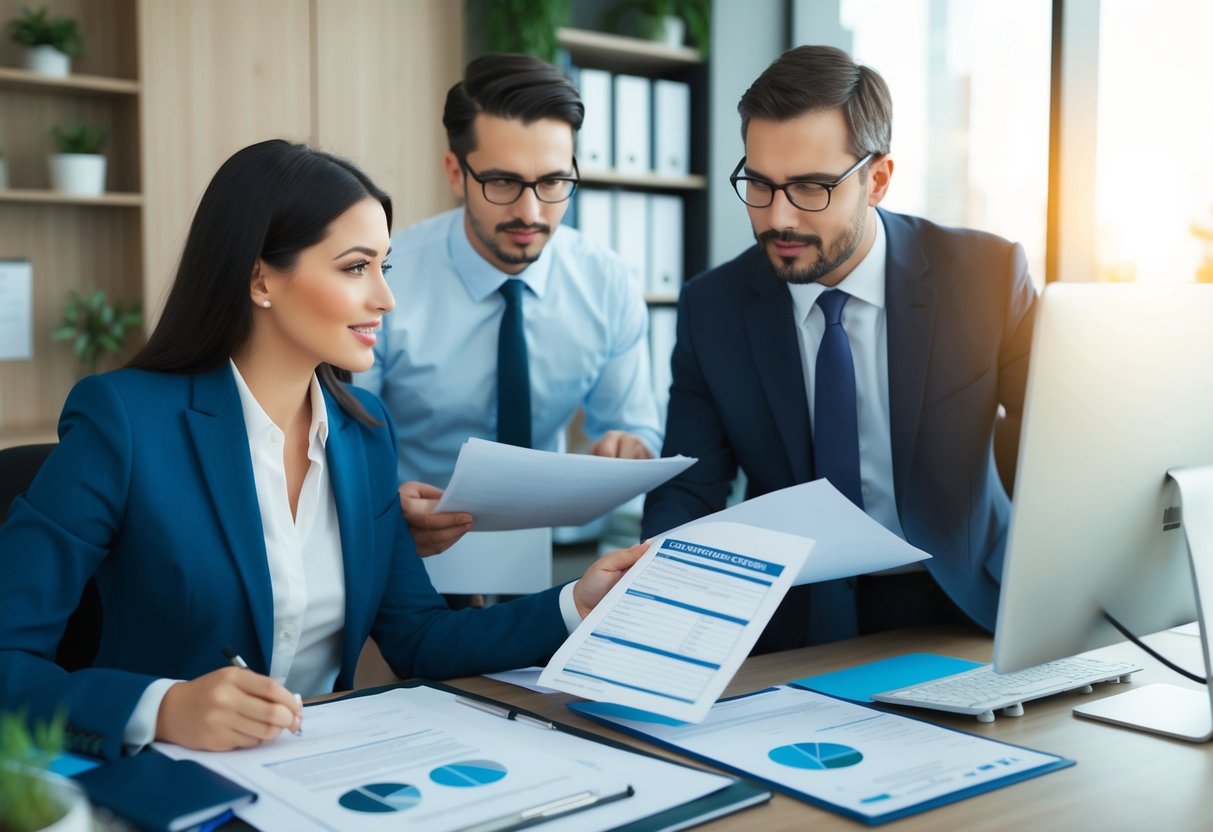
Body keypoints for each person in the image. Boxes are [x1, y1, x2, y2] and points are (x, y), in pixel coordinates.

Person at [0, 140, 645, 761]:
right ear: (261, 278)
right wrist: (163, 708)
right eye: (355, 267)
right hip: (168, 781)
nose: (386, 298)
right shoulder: (125, 422)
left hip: (322, 774)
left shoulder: (365, 435)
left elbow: (419, 638)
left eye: (383, 267)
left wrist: (574, 603)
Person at [642, 45, 1037, 653]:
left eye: (810, 188)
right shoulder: (712, 308)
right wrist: (652, 602)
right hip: (790, 619)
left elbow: (1059, 451)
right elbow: (690, 487)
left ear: (876, 179)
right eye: (760, 184)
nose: (779, 219)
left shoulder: (984, 276)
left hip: (970, 605)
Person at [354, 54, 662, 557]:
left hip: (547, 546)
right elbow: (346, 437)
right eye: (502, 182)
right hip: (408, 540)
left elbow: (631, 425)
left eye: (553, 182)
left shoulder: (606, 282)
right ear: (456, 173)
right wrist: (382, 504)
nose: (531, 212)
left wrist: (629, 446)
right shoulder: (386, 280)